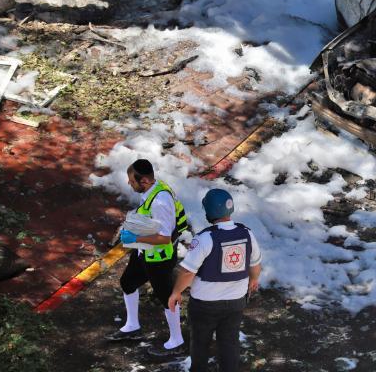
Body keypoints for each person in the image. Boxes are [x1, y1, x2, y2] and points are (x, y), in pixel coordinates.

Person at [168, 189, 262, 372]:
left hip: (205, 304)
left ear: (209, 212)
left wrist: (176, 292)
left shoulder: (205, 238)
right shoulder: (247, 233)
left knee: (200, 344)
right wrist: (254, 280)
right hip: (236, 301)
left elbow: (187, 272)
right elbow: (256, 264)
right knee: (229, 343)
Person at [105, 159, 189, 357]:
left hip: (159, 257)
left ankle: (177, 341)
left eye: (131, 181)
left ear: (143, 181)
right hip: (145, 250)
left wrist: (135, 237)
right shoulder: (151, 190)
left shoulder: (160, 202)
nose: (129, 184)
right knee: (128, 282)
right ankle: (132, 326)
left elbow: (164, 238)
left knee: (167, 297)